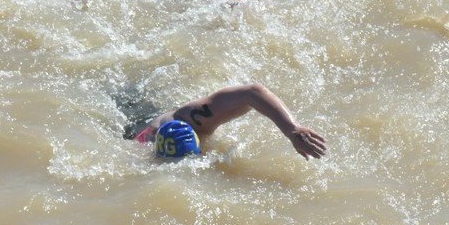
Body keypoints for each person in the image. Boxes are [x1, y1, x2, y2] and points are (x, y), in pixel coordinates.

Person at [122, 82, 328, 160]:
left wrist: (291, 129)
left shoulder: (196, 118)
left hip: (153, 113)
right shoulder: (138, 150)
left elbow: (252, 92)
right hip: (134, 123)